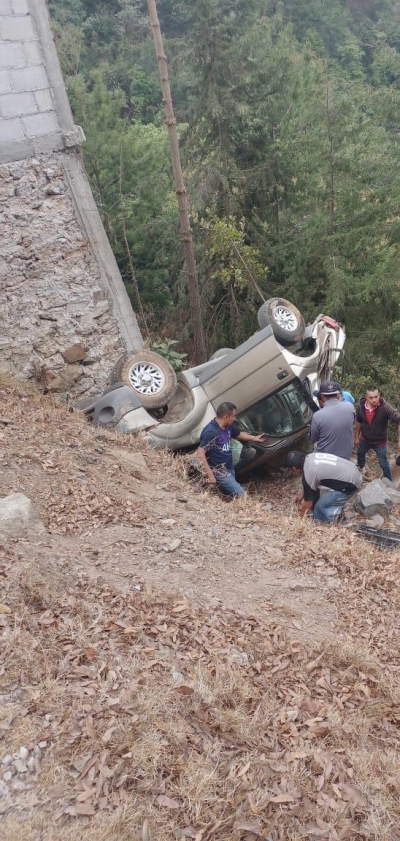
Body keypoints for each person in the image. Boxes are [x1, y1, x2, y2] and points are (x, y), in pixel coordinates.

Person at [196, 402, 266, 498]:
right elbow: (200, 452)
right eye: (233, 416)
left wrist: (254, 438)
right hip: (219, 472)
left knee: (229, 492)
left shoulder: (228, 427)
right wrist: (210, 474)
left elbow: (239, 434)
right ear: (226, 417)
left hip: (229, 467)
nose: (235, 418)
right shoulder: (211, 432)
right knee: (242, 496)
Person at [286, 450, 362, 523]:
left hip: (350, 484)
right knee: (318, 499)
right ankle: (337, 508)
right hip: (353, 471)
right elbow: (311, 484)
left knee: (319, 509)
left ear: (294, 468)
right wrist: (303, 495)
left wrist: (300, 518)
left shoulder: (309, 472)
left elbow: (308, 503)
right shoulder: (311, 456)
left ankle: (334, 519)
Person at [355, 386, 400, 481]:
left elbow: (398, 420)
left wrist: (399, 440)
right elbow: (358, 421)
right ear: (366, 397)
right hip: (365, 439)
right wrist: (356, 437)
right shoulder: (360, 407)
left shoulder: (385, 407)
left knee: (383, 462)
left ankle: (389, 482)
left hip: (380, 442)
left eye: (376, 397)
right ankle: (361, 469)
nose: (374, 400)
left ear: (379, 395)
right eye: (371, 398)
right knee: (360, 454)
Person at [310, 380, 355, 460]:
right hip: (345, 457)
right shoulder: (350, 407)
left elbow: (313, 439)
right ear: (338, 395)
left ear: (322, 396)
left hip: (326, 459)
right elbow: (351, 423)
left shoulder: (317, 416)